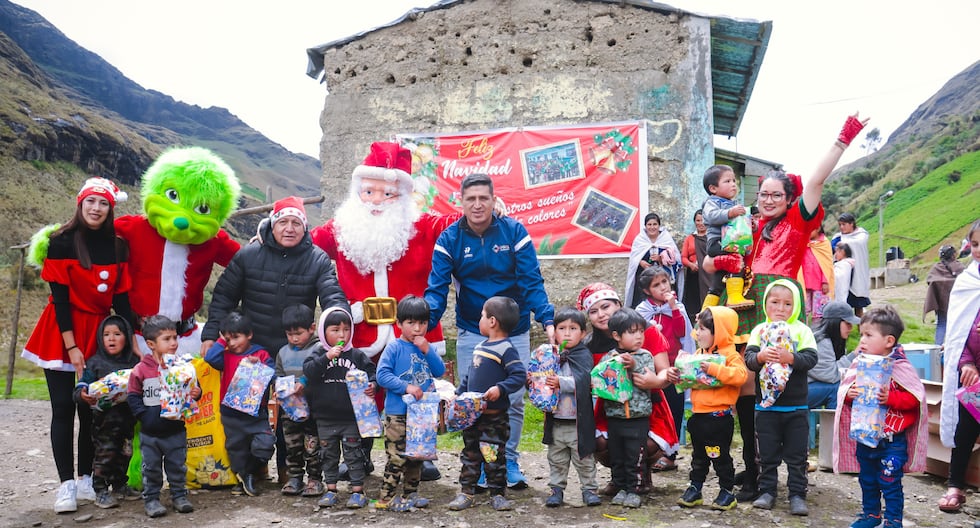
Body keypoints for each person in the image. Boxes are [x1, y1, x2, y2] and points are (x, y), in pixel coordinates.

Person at [312, 141, 462, 482]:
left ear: (403, 197)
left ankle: (417, 457)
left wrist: (478, 210)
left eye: (387, 194)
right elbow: (302, 242)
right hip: (360, 334)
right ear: (357, 192)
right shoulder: (340, 229)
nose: (376, 201)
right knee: (358, 397)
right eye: (368, 192)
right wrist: (268, 235)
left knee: (415, 395)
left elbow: (453, 225)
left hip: (409, 334)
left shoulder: (421, 227)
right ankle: (359, 457)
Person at [202, 195, 348, 483]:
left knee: (291, 410)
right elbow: (224, 297)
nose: (289, 228)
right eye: (283, 222)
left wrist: (339, 326)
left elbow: (332, 294)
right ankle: (252, 469)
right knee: (248, 409)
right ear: (272, 223)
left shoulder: (317, 259)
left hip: (293, 350)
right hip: (252, 350)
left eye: (296, 223)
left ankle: (288, 470)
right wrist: (210, 334)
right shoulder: (248, 255)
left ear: (305, 228)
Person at [425, 173, 555, 488]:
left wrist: (547, 319)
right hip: (473, 328)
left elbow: (531, 280)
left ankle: (508, 462)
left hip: (516, 328)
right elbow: (436, 289)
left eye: (484, 198)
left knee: (513, 397)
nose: (478, 204)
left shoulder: (514, 232)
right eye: (471, 199)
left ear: (494, 200)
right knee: (473, 399)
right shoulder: (449, 239)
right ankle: (481, 465)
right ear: (461, 202)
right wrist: (422, 324)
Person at [703, 112, 869, 342]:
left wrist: (842, 140)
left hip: (779, 301)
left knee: (776, 366)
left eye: (776, 195)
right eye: (764, 195)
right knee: (738, 367)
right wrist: (720, 261)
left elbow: (816, 181)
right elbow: (708, 264)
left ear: (789, 198)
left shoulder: (797, 221)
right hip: (740, 301)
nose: (768, 201)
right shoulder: (744, 224)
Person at [22, 177, 134, 513]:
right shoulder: (61, 242)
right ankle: (65, 485)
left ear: (110, 208)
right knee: (63, 408)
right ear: (80, 204)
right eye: (91, 202)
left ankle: (87, 479)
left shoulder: (118, 247)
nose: (96, 209)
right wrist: (72, 348)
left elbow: (122, 301)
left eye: (103, 204)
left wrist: (136, 342)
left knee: (90, 411)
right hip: (62, 331)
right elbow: (59, 301)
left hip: (98, 332)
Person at [576, 283, 679, 493]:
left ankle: (642, 473)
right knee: (602, 442)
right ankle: (620, 477)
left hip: (649, 405)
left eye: (606, 307)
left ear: (619, 304)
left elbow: (664, 371)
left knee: (645, 443)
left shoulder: (645, 330)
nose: (601, 315)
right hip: (611, 409)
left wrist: (655, 382)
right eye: (593, 311)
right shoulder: (589, 344)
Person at [834, 306, 927, 528]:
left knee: (890, 481)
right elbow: (845, 393)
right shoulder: (859, 364)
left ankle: (893, 520)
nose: (862, 340)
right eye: (862, 334)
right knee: (867, 480)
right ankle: (871, 515)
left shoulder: (901, 366)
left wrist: (891, 398)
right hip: (866, 438)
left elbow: (915, 399)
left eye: (868, 335)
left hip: (892, 442)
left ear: (889, 341)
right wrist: (850, 394)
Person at [744, 279, 819, 516]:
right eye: (775, 302)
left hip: (795, 407)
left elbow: (811, 360)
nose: (780, 308)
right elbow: (749, 360)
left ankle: (797, 495)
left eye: (788, 304)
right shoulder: (759, 330)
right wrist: (761, 356)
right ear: (766, 304)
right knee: (767, 454)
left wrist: (791, 357)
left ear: (795, 306)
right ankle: (767, 491)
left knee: (797, 457)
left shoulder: (802, 330)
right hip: (766, 408)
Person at [447, 296, 527, 512]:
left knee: (493, 457)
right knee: (470, 454)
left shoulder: (506, 349)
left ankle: (498, 494)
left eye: (482, 315)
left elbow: (519, 375)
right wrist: (458, 393)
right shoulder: (480, 346)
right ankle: (466, 492)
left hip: (494, 418)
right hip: (473, 417)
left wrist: (500, 388)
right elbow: (469, 377)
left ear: (492, 321)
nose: (479, 319)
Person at [375, 295, 445, 511]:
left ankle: (410, 494)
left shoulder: (426, 347)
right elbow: (382, 375)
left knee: (417, 456)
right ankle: (385, 497)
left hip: (421, 415)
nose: (417, 328)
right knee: (397, 457)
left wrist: (427, 350)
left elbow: (440, 371)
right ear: (399, 324)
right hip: (397, 413)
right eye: (411, 323)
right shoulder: (394, 348)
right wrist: (407, 387)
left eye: (422, 323)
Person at [302, 308, 377, 509]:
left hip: (351, 417)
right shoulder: (317, 354)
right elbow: (308, 372)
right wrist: (327, 356)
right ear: (323, 331)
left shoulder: (356, 355)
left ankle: (357, 491)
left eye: (346, 329)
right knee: (328, 455)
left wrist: (372, 385)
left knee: (353, 453)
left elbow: (372, 373)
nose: (342, 335)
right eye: (335, 330)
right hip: (325, 418)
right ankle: (331, 490)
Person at [126, 315, 200, 518]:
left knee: (177, 466)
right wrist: (143, 416)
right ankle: (151, 500)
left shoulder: (182, 366)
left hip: (175, 430)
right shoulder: (141, 370)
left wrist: (196, 393)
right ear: (151, 344)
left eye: (175, 337)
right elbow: (133, 396)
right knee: (151, 469)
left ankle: (179, 496)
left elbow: (194, 389)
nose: (174, 343)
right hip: (150, 433)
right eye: (166, 339)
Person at [676, 306, 748, 512]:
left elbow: (740, 376)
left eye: (703, 329)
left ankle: (727, 491)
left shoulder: (731, 355)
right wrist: (679, 375)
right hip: (698, 416)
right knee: (698, 456)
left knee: (719, 456)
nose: (697, 333)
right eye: (698, 328)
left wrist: (714, 368)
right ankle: (695, 488)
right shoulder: (699, 353)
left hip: (718, 418)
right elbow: (692, 379)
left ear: (720, 332)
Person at [72, 315, 141, 509]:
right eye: (106, 334)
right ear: (100, 339)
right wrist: (82, 395)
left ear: (126, 337)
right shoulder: (94, 363)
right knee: (105, 455)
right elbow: (81, 387)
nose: (111, 338)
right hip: (104, 424)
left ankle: (119, 484)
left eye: (117, 334)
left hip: (128, 421)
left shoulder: (134, 362)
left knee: (125, 453)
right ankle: (100, 489)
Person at [204, 312, 276, 497]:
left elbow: (273, 375)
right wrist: (221, 341)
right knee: (235, 449)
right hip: (230, 414)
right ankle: (245, 476)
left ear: (249, 334)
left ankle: (250, 471)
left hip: (256, 414)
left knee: (265, 445)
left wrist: (259, 365)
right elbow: (209, 359)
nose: (233, 343)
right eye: (228, 339)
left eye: (236, 337)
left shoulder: (260, 353)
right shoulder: (225, 356)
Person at [938, 219, 980, 513]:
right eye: (976, 244)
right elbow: (957, 333)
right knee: (965, 429)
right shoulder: (967, 283)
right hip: (973, 376)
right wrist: (967, 364)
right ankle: (955, 484)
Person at [597, 308, 657, 509]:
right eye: (632, 332)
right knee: (618, 455)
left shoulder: (645, 356)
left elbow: (648, 375)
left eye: (641, 331)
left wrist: (634, 366)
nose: (639, 336)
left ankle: (635, 490)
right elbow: (600, 380)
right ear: (616, 336)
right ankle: (621, 486)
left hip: (638, 417)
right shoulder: (609, 358)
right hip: (615, 416)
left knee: (636, 456)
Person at [541, 307, 601, 508]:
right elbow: (539, 377)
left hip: (578, 421)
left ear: (583, 333)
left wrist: (561, 382)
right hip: (557, 420)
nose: (567, 333)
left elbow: (584, 380)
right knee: (556, 457)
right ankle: (556, 489)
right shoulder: (549, 355)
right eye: (562, 328)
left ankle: (589, 489)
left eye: (573, 328)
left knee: (583, 457)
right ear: (554, 332)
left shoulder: (583, 354)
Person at [635, 265, 695, 457]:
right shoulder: (642, 310)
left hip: (674, 366)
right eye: (656, 285)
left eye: (664, 282)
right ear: (646, 291)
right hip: (651, 368)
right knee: (654, 410)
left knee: (675, 408)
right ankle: (652, 451)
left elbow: (681, 332)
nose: (663, 287)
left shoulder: (678, 307)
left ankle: (671, 454)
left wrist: (673, 308)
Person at [275, 304, 323, 497]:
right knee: (292, 446)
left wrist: (304, 382)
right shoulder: (283, 352)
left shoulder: (320, 348)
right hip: (290, 410)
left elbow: (320, 371)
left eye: (298, 333)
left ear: (312, 328)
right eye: (289, 334)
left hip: (313, 410)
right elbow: (278, 374)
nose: (294, 338)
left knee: (312, 446)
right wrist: (278, 389)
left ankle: (315, 479)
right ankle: (294, 478)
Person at [699, 165, 751, 309]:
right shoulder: (712, 202)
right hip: (717, 242)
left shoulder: (732, 204)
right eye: (727, 181)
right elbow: (711, 216)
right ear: (713, 188)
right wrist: (730, 213)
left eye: (734, 180)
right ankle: (734, 297)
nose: (733, 184)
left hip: (727, 242)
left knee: (718, 280)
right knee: (736, 260)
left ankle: (706, 309)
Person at [807, 301, 861, 411]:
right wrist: (854, 355)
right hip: (798, 392)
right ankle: (832, 426)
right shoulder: (822, 342)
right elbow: (831, 375)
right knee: (838, 389)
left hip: (810, 387)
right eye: (847, 323)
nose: (851, 328)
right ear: (835, 323)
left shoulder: (835, 341)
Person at [625, 212, 682, 309]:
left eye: (655, 224)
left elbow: (676, 261)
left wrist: (661, 259)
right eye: (649, 224)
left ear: (659, 226)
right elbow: (634, 259)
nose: (652, 227)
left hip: (662, 278)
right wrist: (641, 262)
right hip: (644, 278)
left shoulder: (666, 239)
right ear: (645, 226)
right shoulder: (640, 240)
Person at [924, 244, 966, 345]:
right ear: (953, 255)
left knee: (941, 324)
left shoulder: (936, 268)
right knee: (958, 325)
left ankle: (938, 348)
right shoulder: (960, 267)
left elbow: (930, 280)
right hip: (957, 304)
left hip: (941, 304)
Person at [835, 212, 872, 316]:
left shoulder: (861, 236)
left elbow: (856, 244)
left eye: (844, 224)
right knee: (843, 305)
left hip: (857, 275)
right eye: (840, 225)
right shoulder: (838, 237)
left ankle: (862, 328)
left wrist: (842, 243)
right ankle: (844, 329)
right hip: (843, 275)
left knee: (858, 305)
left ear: (852, 224)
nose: (842, 227)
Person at [681, 210, 710, 321]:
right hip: (694, 274)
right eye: (698, 220)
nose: (700, 223)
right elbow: (683, 257)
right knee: (694, 301)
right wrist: (691, 265)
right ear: (694, 222)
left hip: (709, 275)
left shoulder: (712, 237)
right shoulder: (690, 238)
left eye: (703, 220)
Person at [801, 227, 834, 322]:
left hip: (820, 284)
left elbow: (827, 264)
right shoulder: (803, 242)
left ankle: (819, 334)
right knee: (804, 311)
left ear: (818, 228)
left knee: (819, 313)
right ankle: (803, 334)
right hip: (804, 282)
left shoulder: (824, 243)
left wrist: (825, 281)